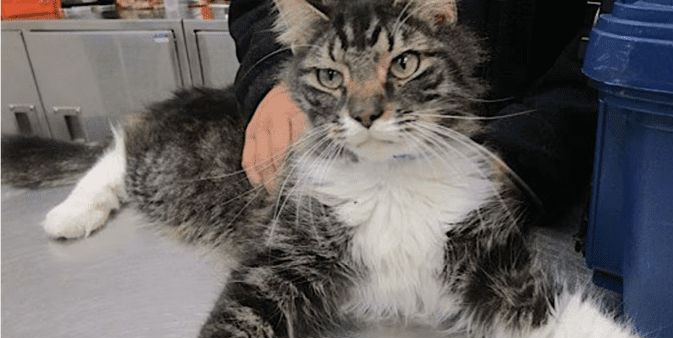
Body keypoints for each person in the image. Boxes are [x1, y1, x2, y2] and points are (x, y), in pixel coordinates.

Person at [228, 0, 599, 225]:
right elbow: (259, 7)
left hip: (525, 161)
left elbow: (607, 43)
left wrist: (527, 152)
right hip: (338, 148)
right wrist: (279, 72)